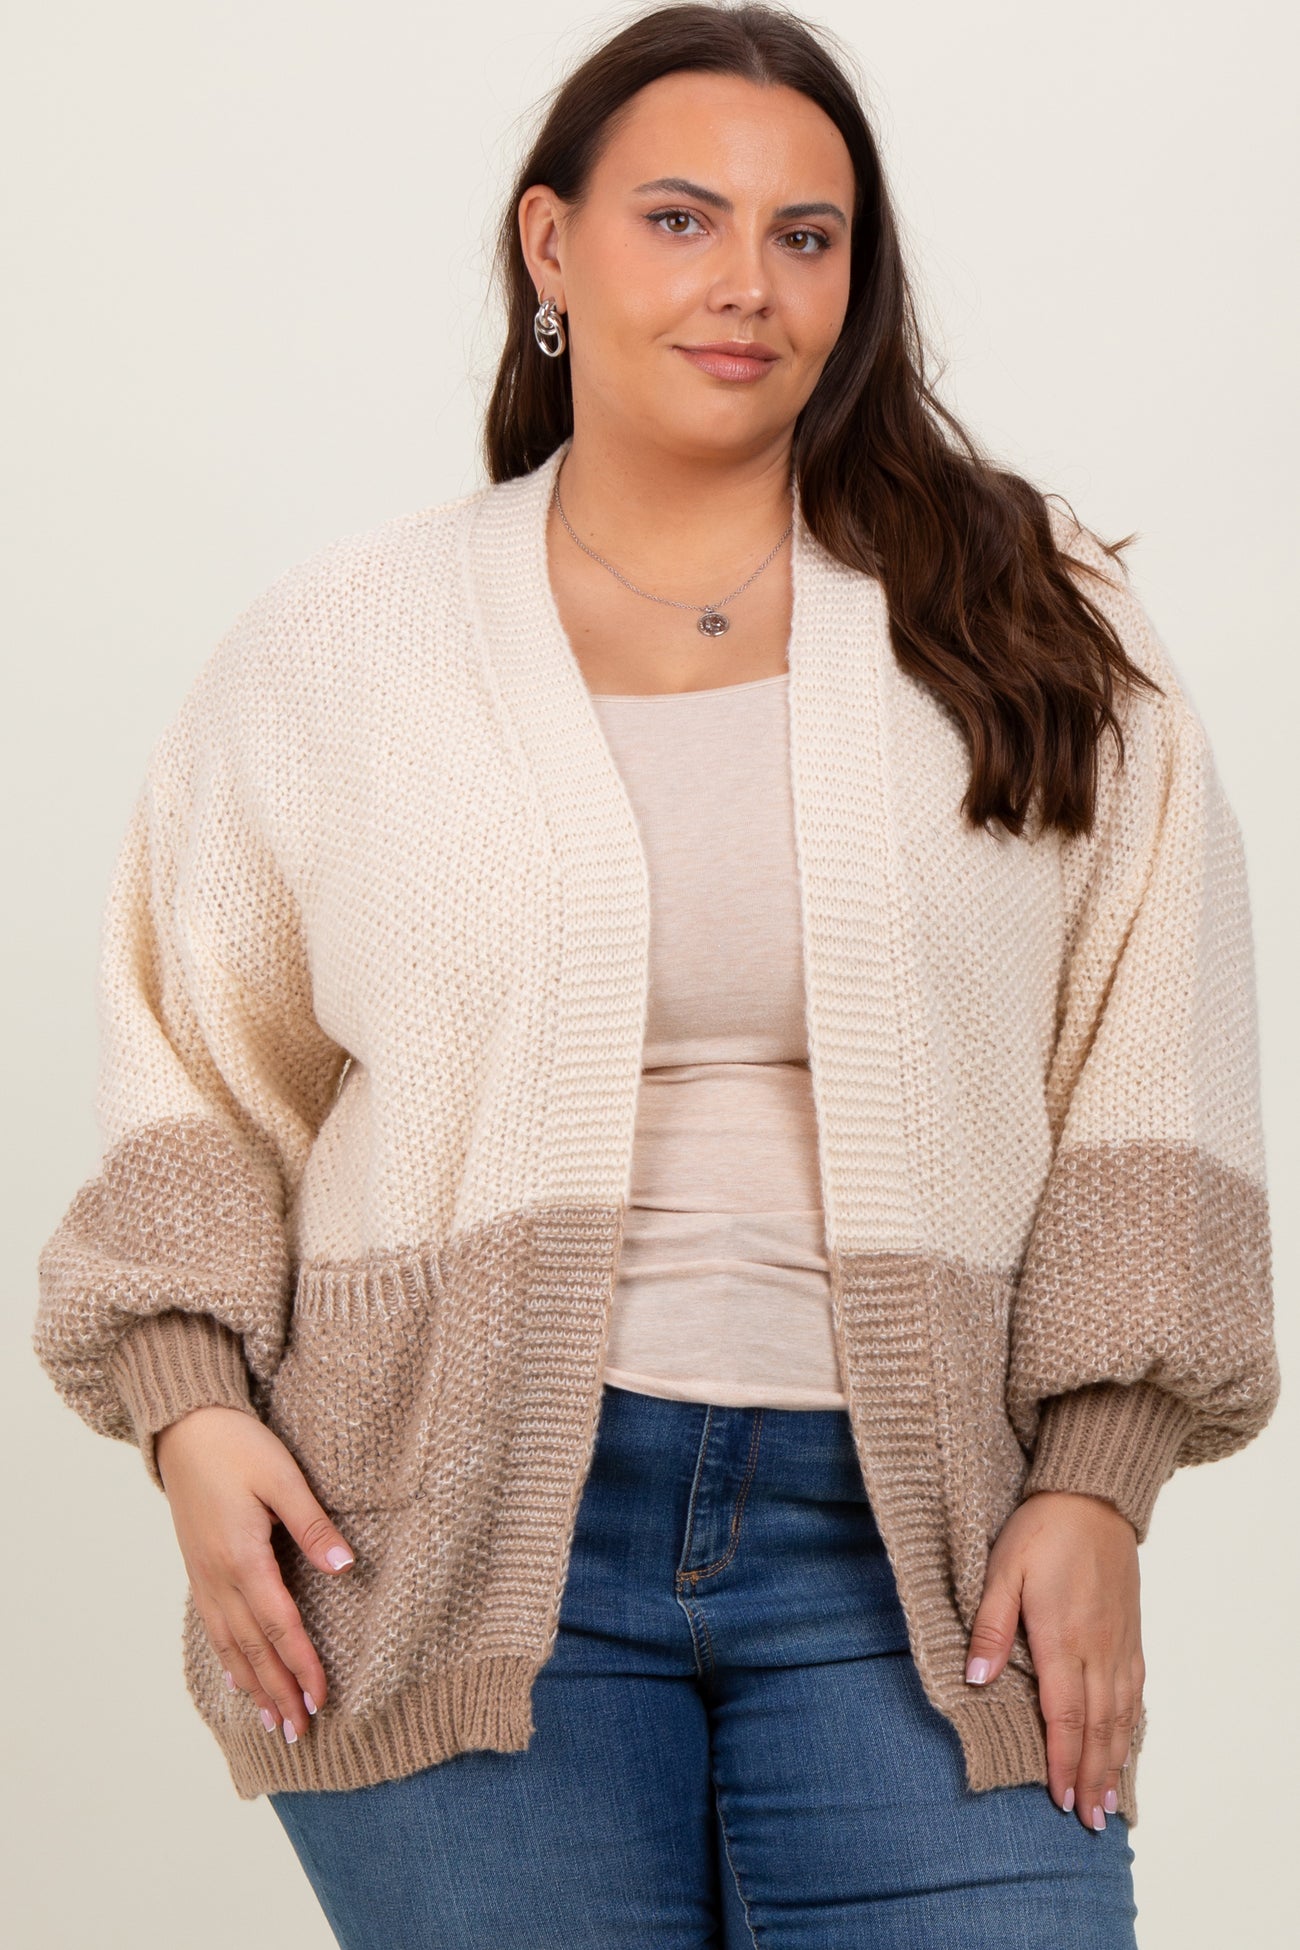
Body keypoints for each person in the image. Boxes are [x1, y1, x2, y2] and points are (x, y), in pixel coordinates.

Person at [32, 5, 1279, 1945]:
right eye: (680, 220)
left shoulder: (1020, 616)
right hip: (440, 1530)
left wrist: (1097, 1480)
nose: (747, 285)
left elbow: (1150, 1049)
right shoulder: (342, 648)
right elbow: (193, 1056)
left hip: (922, 1546)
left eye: (807, 236)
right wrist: (193, 1415)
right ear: (552, 245)